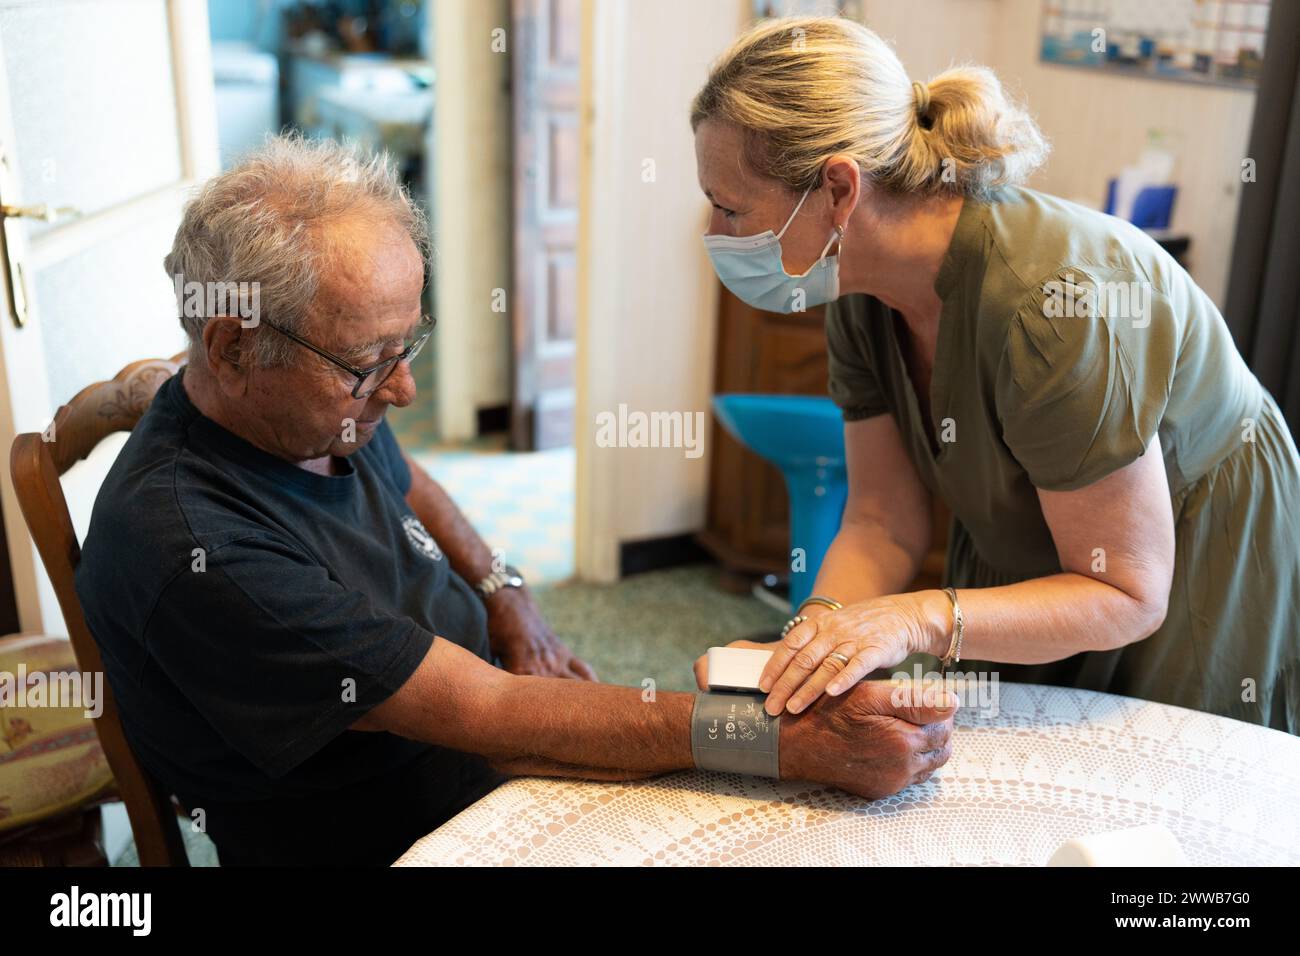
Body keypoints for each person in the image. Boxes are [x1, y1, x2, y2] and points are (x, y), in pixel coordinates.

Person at [76, 134, 957, 865]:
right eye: (370, 362)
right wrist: (785, 743)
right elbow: (489, 717)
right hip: (401, 821)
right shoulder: (197, 548)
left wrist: (508, 596)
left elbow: (413, 482)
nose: (405, 391)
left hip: (482, 725)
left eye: (407, 343)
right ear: (231, 347)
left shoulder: (306, 407)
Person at [691, 17, 1299, 733]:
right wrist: (814, 642)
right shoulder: (858, 293)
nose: (716, 233)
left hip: (1187, 544)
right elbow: (882, 520)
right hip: (1038, 536)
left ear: (838, 190)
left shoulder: (1053, 308)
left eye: (731, 208)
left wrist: (916, 618)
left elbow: (1125, 590)